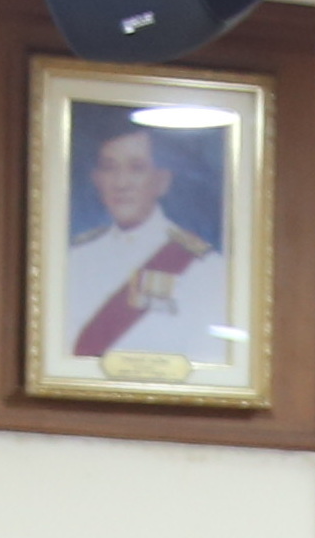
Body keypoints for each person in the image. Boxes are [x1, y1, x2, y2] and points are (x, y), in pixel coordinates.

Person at [55, 125, 227, 368]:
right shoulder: (73, 258)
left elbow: (210, 362)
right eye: (109, 168)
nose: (121, 183)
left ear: (161, 181)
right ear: (97, 179)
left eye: (136, 168)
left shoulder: (206, 268)